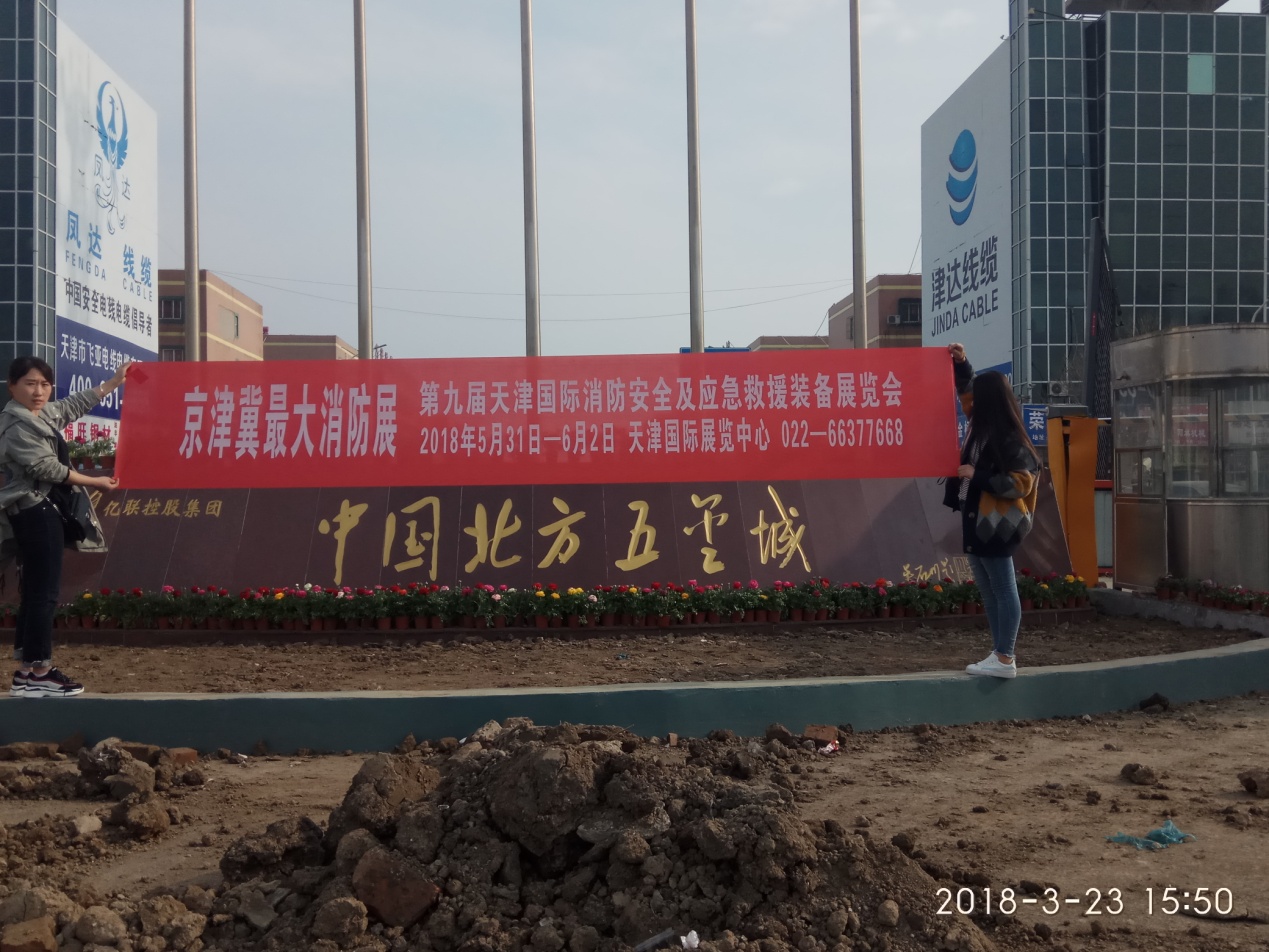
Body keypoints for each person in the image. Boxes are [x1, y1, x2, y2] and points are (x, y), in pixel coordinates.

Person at [0, 357, 133, 697]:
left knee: (35, 591)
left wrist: (113, 382)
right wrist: (96, 482)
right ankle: (41, 671)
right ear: (12, 386)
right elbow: (47, 469)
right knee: (43, 593)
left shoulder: (38, 414)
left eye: (45, 384)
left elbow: (72, 406)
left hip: (39, 510)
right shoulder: (15, 425)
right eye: (30, 383)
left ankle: (27, 672)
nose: (39, 391)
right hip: (35, 512)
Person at [943, 343, 1041, 680]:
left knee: (1003, 588)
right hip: (976, 520)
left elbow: (1021, 483)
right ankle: (999, 652)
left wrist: (977, 475)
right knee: (989, 591)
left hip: (997, 525)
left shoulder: (1011, 438)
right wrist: (962, 364)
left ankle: (1004, 656)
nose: (969, 403)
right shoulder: (981, 427)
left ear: (990, 402)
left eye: (977, 398)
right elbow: (967, 389)